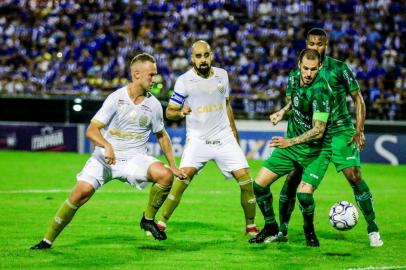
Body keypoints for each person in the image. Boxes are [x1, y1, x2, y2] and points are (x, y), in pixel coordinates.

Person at [31, 53, 187, 249]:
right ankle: (47, 241)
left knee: (164, 176)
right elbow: (92, 130)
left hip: (134, 159)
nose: (154, 79)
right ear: (136, 74)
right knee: (80, 193)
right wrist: (106, 145)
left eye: (155, 75)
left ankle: (147, 219)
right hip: (104, 159)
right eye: (151, 75)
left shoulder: (154, 105)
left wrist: (173, 165)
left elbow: (162, 135)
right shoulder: (116, 98)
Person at [277, 28, 383, 247]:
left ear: (326, 45)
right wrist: (282, 114)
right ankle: (282, 229)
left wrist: (359, 129)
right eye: (312, 43)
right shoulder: (299, 73)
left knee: (354, 176)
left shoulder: (339, 68)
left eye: (320, 44)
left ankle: (373, 229)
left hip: (339, 130)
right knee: (292, 178)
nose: (317, 47)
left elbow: (358, 98)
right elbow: (295, 103)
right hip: (313, 132)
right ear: (306, 44)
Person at [156, 40, 259, 235]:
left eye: (206, 55)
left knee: (246, 180)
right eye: (198, 56)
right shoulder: (184, 81)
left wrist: (234, 134)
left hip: (223, 137)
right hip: (198, 139)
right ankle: (161, 223)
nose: (202, 60)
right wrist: (180, 113)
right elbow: (169, 111)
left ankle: (251, 226)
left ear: (211, 56)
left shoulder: (223, 75)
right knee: (182, 179)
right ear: (192, 59)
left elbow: (226, 105)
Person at [249, 48, 334, 247]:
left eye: (313, 69)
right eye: (305, 68)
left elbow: (318, 130)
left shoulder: (322, 91)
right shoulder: (294, 78)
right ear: (299, 65)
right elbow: (294, 101)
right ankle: (270, 225)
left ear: (319, 67)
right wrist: (281, 112)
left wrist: (289, 142)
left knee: (304, 194)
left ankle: (309, 230)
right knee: (259, 185)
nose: (308, 73)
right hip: (293, 144)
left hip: (316, 150)